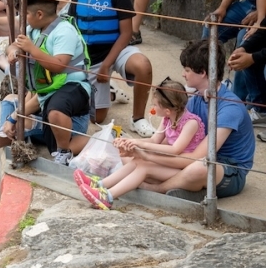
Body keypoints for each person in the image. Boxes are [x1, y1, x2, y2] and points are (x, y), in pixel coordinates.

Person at [132, 40, 255, 199]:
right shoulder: (196, 99)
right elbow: (173, 141)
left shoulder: (230, 108)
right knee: (132, 157)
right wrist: (137, 146)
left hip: (228, 170)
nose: (183, 74)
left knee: (199, 168)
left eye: (187, 70)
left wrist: (148, 156)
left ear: (203, 72)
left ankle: (159, 189)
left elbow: (197, 156)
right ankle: (186, 188)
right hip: (198, 158)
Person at [0, 0, 92, 165]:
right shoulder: (33, 29)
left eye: (25, 13)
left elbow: (58, 66)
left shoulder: (64, 31)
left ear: (39, 14)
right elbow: (15, 44)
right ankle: (8, 130)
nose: (23, 18)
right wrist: (12, 51)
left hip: (66, 100)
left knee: (54, 110)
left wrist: (31, 49)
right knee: (10, 98)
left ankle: (62, 150)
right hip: (45, 95)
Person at [76, 79, 206, 210]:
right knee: (138, 159)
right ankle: (100, 184)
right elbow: (154, 140)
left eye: (155, 105)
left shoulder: (191, 123)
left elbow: (175, 150)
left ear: (167, 110)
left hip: (183, 169)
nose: (152, 108)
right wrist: (130, 141)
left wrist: (139, 143)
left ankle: (108, 196)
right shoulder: (168, 118)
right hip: (171, 163)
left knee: (143, 166)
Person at [69, 0, 155, 136]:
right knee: (96, 118)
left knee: (143, 65)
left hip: (117, 49)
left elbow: (127, 33)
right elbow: (72, 26)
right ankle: (111, 91)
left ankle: (138, 119)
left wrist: (107, 65)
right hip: (91, 58)